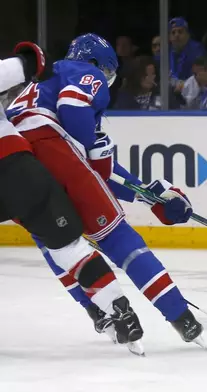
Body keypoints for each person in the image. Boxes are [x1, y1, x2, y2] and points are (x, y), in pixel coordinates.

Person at [5, 34, 204, 346]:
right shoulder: (82, 72)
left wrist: (147, 194)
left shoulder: (27, 92)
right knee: (117, 236)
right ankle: (180, 316)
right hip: (50, 148)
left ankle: (98, 311)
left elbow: (99, 170)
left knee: (57, 243)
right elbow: (74, 114)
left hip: (14, 165)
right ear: (98, 65)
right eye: (108, 73)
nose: (105, 81)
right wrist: (98, 148)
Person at [0, 42, 144, 353]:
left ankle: (107, 309)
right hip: (16, 169)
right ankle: (119, 309)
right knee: (66, 244)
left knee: (64, 244)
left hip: (17, 169)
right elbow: (37, 61)